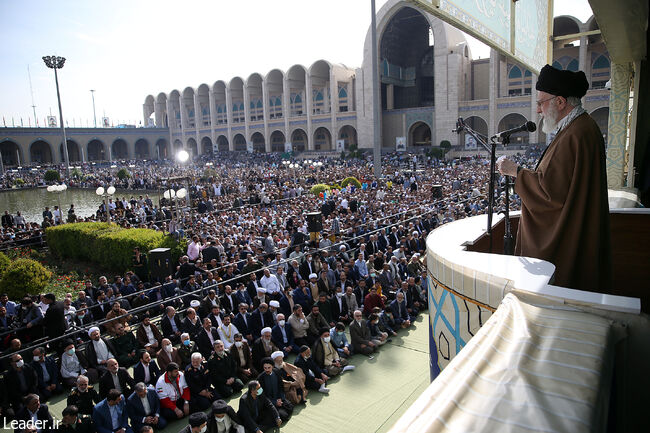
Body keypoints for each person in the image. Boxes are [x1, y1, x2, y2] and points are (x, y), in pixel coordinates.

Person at [496, 64, 611, 292]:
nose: (538, 110)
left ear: (560, 102)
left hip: (568, 236)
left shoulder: (576, 134)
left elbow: (550, 195)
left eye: (541, 103)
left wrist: (514, 171)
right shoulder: (579, 128)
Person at [256, 358, 293, 423]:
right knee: (283, 415)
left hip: (278, 398)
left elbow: (281, 387)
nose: (267, 370)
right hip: (269, 402)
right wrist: (274, 402)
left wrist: (281, 398)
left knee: (290, 406)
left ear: (272, 366)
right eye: (265, 368)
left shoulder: (277, 372)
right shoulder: (260, 378)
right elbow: (261, 395)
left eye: (269, 367)